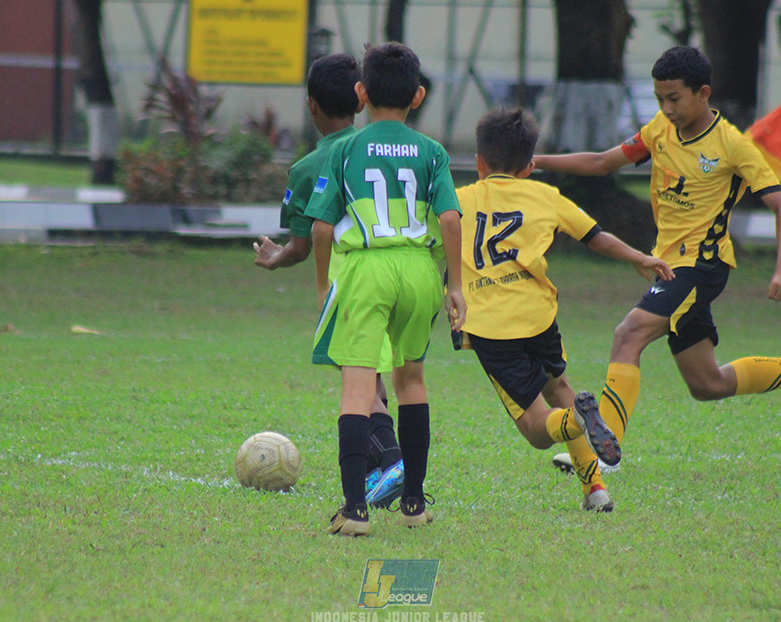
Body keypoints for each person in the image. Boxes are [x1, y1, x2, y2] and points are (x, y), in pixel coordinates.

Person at [532, 45, 781, 465]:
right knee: (707, 383)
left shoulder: (732, 146)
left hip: (701, 266)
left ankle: (603, 448)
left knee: (628, 333)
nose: (666, 109)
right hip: (668, 265)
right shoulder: (658, 132)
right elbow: (600, 162)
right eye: (659, 99)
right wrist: (535, 160)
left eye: (674, 99)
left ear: (703, 93)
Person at [455, 108, 674, 512]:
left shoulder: (459, 201)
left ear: (480, 162)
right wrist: (637, 258)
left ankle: (577, 420)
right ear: (528, 165)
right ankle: (596, 491)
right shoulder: (546, 196)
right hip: (539, 318)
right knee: (559, 389)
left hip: (492, 327)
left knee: (540, 431)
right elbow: (596, 237)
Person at [304, 42, 466, 536]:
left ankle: (355, 511)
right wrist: (455, 285)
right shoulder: (432, 151)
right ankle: (414, 503)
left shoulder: (345, 149)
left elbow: (321, 229)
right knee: (411, 381)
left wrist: (323, 290)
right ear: (417, 96)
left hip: (366, 270)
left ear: (361, 93)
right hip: (418, 270)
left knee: (357, 389)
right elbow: (450, 218)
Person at [252, 53, 405, 509]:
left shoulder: (305, 170)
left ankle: (393, 462)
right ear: (360, 101)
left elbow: (304, 243)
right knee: (374, 381)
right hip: (398, 273)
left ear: (311, 105)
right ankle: (382, 472)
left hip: (349, 281)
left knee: (358, 384)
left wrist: (276, 260)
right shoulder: (383, 149)